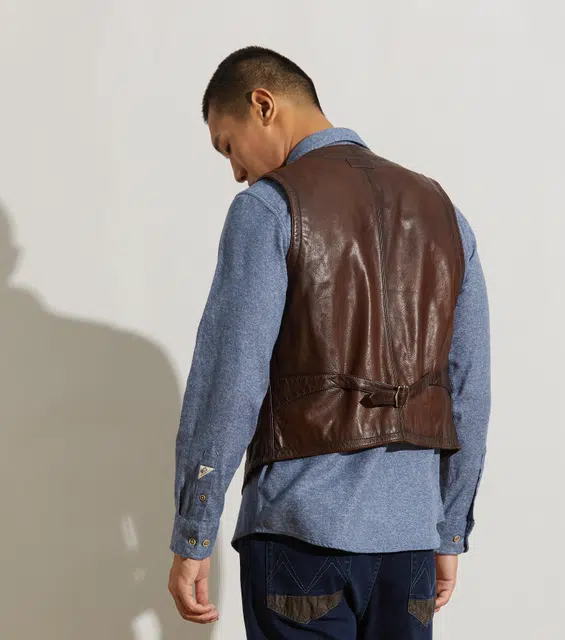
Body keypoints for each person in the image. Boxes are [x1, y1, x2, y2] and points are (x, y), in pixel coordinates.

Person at [167, 45, 491, 639]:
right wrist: (447, 529)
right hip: (409, 546)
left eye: (228, 145)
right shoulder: (444, 213)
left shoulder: (268, 209)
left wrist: (194, 531)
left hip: (300, 534)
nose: (235, 170)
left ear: (262, 105)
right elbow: (470, 388)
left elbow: (229, 383)